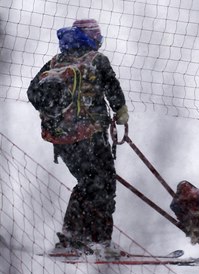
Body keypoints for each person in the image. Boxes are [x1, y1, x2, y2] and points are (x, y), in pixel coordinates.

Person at [27, 19, 129, 257]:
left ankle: (72, 238)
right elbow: (112, 87)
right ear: (92, 38)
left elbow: (32, 92)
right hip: (90, 135)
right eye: (98, 38)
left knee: (86, 183)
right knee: (103, 185)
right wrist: (120, 111)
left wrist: (58, 115)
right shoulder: (96, 60)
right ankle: (99, 242)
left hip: (62, 140)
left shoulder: (55, 61)